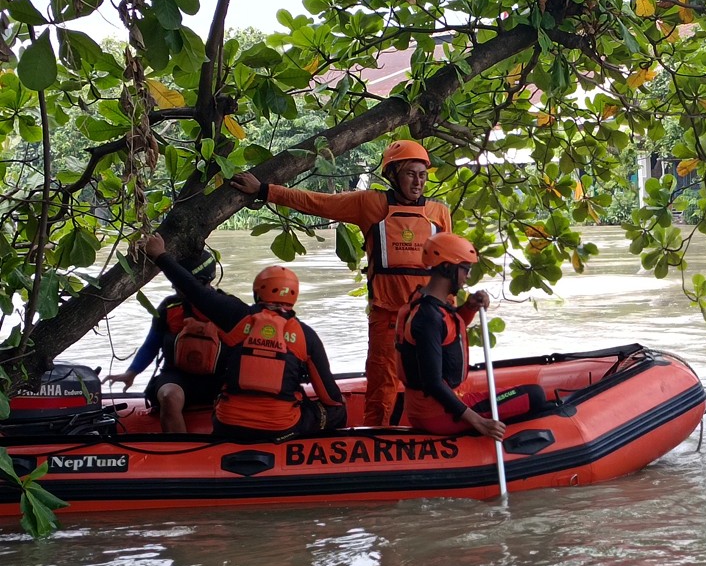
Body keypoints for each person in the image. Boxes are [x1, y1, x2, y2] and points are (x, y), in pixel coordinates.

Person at [229, 139, 451, 426]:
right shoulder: (370, 204)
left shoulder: (438, 212)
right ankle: (376, 436)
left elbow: (449, 265)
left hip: (429, 315)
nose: (418, 182)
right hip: (387, 317)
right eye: (410, 174)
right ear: (393, 175)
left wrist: (454, 310)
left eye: (422, 175)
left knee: (438, 376)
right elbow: (319, 203)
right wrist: (264, 190)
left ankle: (436, 429)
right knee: (382, 383)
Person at [141, 234, 347, 440]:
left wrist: (160, 255)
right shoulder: (306, 336)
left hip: (228, 425)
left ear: (257, 292)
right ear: (294, 297)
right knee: (337, 411)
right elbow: (330, 397)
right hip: (282, 427)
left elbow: (194, 290)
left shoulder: (236, 316)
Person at [396, 233, 547, 440]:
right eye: (465, 269)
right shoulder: (429, 318)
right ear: (448, 267)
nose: (467, 276)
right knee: (535, 395)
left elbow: (447, 334)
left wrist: (469, 307)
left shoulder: (424, 302)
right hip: (438, 413)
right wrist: (479, 421)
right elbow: (433, 383)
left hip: (426, 408)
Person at [104, 249, 226, 432]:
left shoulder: (229, 308)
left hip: (218, 379)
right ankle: (179, 453)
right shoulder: (169, 308)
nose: (174, 287)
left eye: (178, 282)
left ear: (199, 281)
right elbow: (151, 344)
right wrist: (132, 372)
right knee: (169, 396)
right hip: (178, 376)